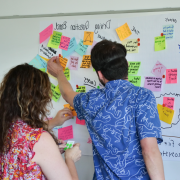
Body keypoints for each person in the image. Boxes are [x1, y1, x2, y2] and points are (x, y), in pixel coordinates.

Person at [47, 39, 165, 180]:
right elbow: (149, 150)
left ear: (100, 74)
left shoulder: (91, 100)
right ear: (126, 65)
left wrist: (59, 72)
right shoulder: (143, 96)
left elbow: (67, 94)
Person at [0, 64, 81, 180]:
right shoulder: (40, 139)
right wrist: (70, 158)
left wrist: (50, 152)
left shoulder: (6, 127)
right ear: (38, 98)